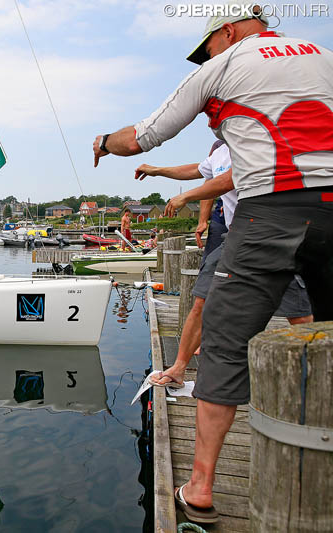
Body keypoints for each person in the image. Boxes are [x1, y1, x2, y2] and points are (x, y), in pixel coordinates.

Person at [92, 2, 333, 523]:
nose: (204, 56)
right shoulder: (326, 57)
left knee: (222, 344)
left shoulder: (221, 68)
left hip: (269, 209)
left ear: (226, 33)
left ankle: (200, 489)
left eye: (205, 47)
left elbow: (140, 137)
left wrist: (104, 143)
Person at [136, 142, 313, 391]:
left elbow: (231, 178)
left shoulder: (256, 141)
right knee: (201, 301)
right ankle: (178, 369)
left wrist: (187, 195)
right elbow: (195, 170)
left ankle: (318, 372)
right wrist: (157, 170)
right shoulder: (218, 151)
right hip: (235, 237)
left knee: (299, 312)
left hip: (272, 236)